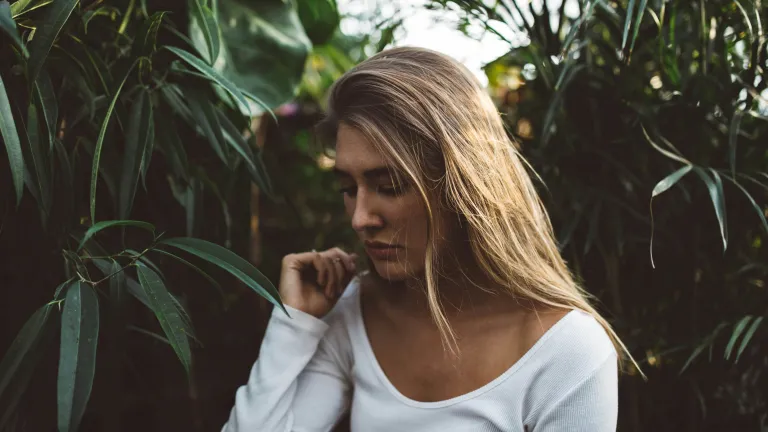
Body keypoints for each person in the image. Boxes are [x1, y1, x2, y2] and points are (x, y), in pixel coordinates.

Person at [222, 46, 630, 432]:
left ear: (462, 185)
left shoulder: (565, 350)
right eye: (348, 188)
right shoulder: (357, 313)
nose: (361, 219)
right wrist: (294, 324)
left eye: (390, 185)